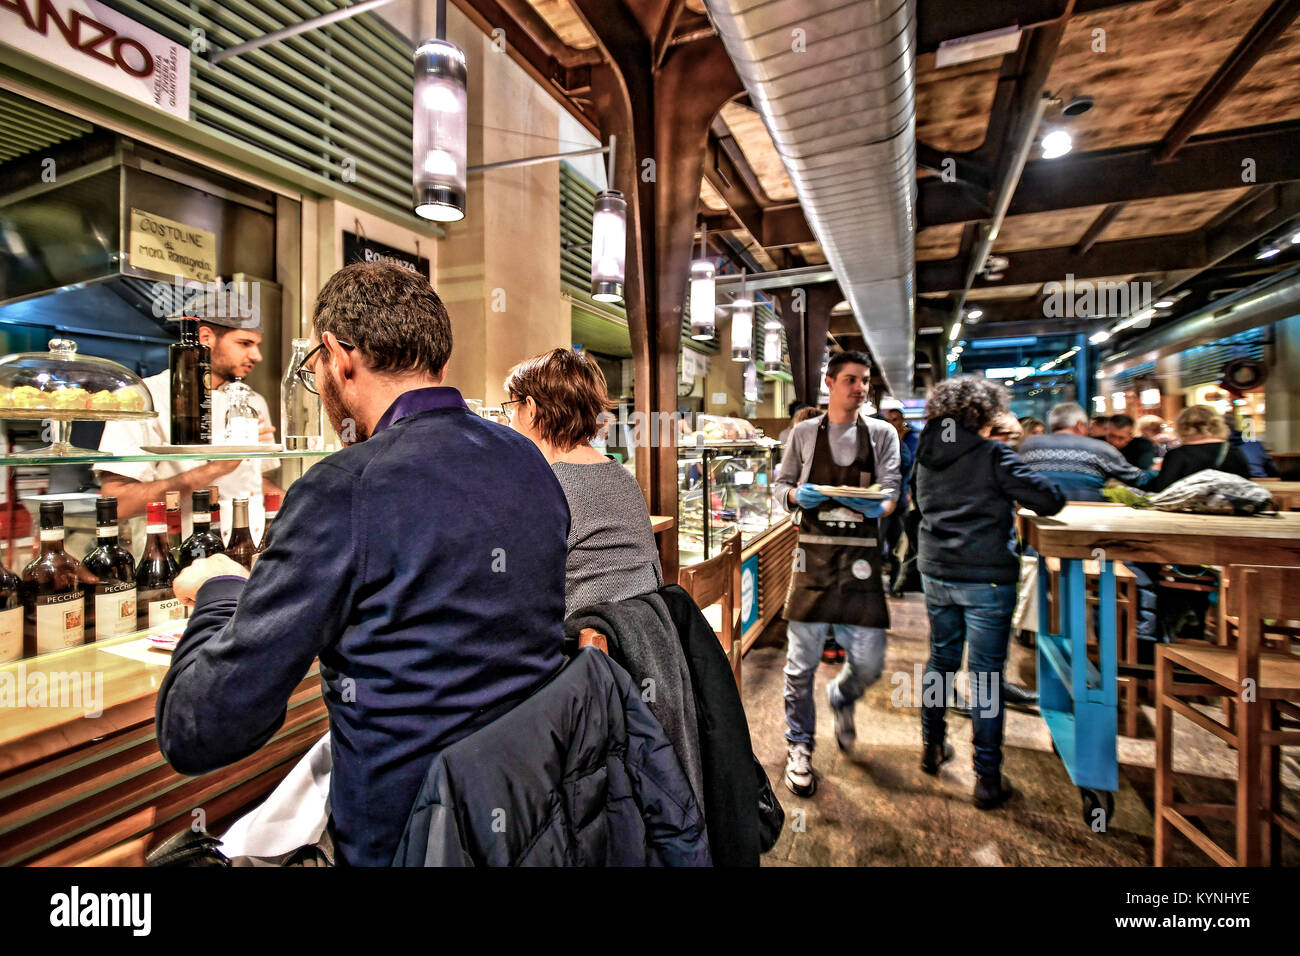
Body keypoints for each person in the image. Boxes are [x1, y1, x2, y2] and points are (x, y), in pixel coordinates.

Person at [156, 261, 571, 866]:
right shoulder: (529, 461)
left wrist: (221, 586)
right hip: (530, 821)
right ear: (438, 363)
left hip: (404, 840)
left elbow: (199, 729)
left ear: (337, 356)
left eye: (313, 370)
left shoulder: (343, 488)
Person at [912, 377, 1065, 809]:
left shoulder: (925, 454)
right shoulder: (993, 454)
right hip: (987, 578)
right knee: (986, 678)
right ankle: (987, 777)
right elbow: (1050, 499)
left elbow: (916, 504)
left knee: (941, 661)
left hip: (936, 571)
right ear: (981, 413)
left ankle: (931, 747)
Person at [772, 350, 901, 797]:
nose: (860, 388)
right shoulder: (804, 433)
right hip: (812, 559)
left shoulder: (883, 433)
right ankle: (799, 745)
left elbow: (892, 496)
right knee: (800, 666)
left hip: (862, 561)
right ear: (829, 382)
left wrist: (878, 504)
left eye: (865, 380)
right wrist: (795, 498)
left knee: (867, 662)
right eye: (850, 380)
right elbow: (780, 488)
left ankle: (843, 698)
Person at [96, 291, 282, 538]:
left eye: (257, 345)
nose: (256, 356)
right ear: (206, 337)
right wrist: (216, 468)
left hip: (250, 548)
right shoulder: (143, 397)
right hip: (177, 554)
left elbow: (252, 486)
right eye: (245, 343)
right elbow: (118, 503)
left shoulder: (252, 401)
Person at [504, 347, 662, 615]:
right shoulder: (622, 475)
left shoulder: (546, 487)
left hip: (576, 649)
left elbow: (516, 587)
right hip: (642, 640)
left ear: (530, 409)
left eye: (510, 408)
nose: (508, 422)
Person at [1019, 402, 1154, 501]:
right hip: (1087, 511)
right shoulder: (1099, 448)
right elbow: (1137, 478)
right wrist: (1158, 470)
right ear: (1079, 425)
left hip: (1038, 513)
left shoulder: (1029, 445)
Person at [1149, 404, 1252, 492]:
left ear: (1181, 426)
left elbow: (1163, 490)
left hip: (1186, 514)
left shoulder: (1177, 455)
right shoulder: (1234, 451)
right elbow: (1246, 487)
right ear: (1218, 424)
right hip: (1231, 513)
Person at [878, 396, 918, 591]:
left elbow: (908, 468)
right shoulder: (891, 442)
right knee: (882, 546)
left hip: (898, 502)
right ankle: (882, 585)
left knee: (896, 545)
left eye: (895, 419)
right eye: (889, 420)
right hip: (883, 504)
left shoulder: (907, 441)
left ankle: (896, 584)